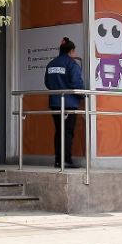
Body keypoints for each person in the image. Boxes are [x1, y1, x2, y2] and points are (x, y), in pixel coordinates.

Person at [44, 37, 84, 168]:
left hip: (55, 103)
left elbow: (47, 83)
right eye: (74, 51)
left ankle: (58, 160)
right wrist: (84, 95)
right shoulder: (72, 64)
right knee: (67, 132)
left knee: (59, 131)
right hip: (69, 104)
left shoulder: (51, 64)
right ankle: (66, 160)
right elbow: (76, 84)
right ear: (71, 51)